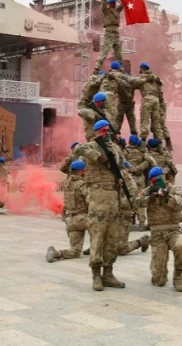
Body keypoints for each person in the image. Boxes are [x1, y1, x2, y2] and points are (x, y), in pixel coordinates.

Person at [72, 120, 126, 291]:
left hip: (113, 196)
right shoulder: (91, 146)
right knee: (97, 234)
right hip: (97, 196)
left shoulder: (116, 149)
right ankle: (96, 274)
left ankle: (108, 273)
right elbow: (77, 149)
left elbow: (122, 166)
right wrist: (100, 156)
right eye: (103, 131)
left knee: (112, 236)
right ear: (96, 132)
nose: (106, 133)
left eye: (108, 130)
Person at [137, 166, 182, 292]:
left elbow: (179, 205)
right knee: (159, 281)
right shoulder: (148, 190)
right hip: (157, 234)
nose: (156, 182)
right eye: (153, 180)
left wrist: (166, 196)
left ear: (163, 177)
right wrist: (150, 197)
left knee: (181, 246)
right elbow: (136, 202)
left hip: (173, 230)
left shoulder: (174, 190)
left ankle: (178, 276)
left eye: (158, 179)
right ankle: (157, 268)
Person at [47, 160, 90, 263]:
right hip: (83, 219)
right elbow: (90, 201)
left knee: (75, 251)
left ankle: (57, 253)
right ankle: (97, 248)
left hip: (70, 220)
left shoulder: (67, 183)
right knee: (101, 223)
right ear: (81, 171)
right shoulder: (82, 184)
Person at [131, 63, 165, 141]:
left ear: (142, 69)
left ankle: (143, 144)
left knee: (144, 122)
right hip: (156, 100)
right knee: (156, 123)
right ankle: (159, 144)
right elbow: (161, 83)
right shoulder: (154, 77)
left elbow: (133, 82)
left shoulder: (142, 77)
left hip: (147, 99)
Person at [97, 0, 124, 66]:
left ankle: (120, 68)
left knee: (119, 53)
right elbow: (103, 2)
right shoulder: (106, 11)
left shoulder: (117, 11)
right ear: (109, 4)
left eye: (114, 3)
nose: (114, 4)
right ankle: (97, 68)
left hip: (116, 33)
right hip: (108, 32)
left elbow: (123, 4)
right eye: (112, 3)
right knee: (104, 52)